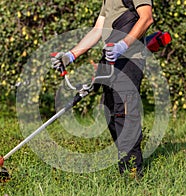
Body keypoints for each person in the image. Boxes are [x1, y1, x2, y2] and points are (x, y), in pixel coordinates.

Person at [51, 0, 154, 176]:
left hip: (130, 59)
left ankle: (133, 172)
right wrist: (71, 55)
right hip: (110, 60)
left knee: (125, 115)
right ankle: (125, 161)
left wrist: (123, 45)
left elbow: (146, 18)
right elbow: (98, 30)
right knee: (111, 113)